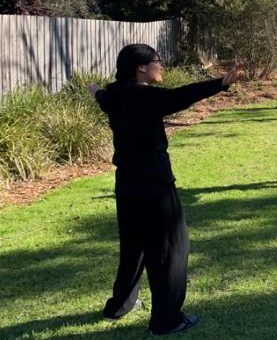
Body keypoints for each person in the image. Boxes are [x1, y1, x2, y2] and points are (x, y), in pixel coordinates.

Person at [90, 43, 242, 335]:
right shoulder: (143, 97)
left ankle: (119, 305)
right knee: (171, 249)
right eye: (157, 61)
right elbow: (180, 96)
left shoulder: (113, 95)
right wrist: (220, 84)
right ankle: (167, 320)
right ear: (141, 67)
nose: (161, 66)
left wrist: (95, 91)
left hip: (127, 185)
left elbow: (101, 97)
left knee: (134, 247)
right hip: (154, 185)